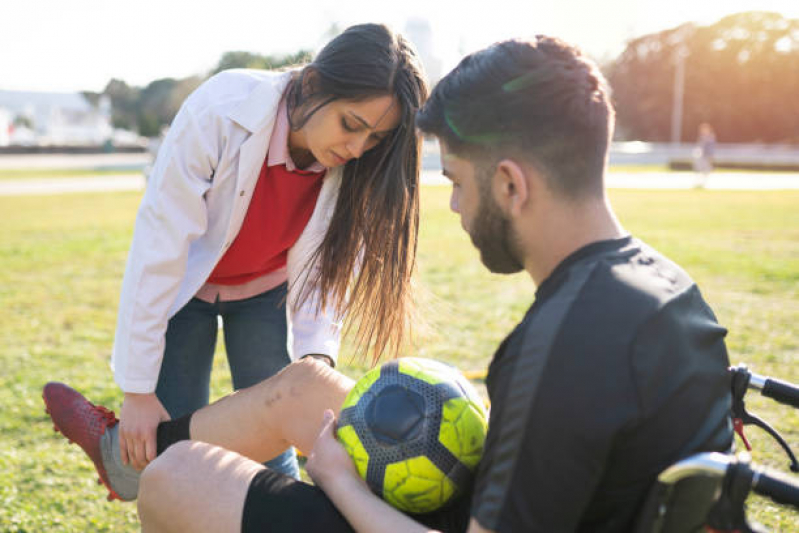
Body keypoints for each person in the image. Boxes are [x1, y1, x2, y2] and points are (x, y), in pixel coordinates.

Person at [44, 36, 733, 532]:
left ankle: (137, 465)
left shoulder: (557, 344)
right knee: (308, 382)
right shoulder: (665, 291)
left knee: (173, 478)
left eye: (455, 184)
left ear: (509, 183)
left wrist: (343, 483)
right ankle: (123, 456)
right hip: (476, 498)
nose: (456, 208)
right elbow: (162, 247)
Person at [107, 22, 428, 484]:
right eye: (351, 125)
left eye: (375, 139)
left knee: (276, 438)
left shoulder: (352, 167)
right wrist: (137, 391)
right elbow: (160, 247)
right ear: (313, 83)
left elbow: (326, 269)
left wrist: (316, 359)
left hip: (264, 293)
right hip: (186, 290)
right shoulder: (220, 110)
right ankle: (118, 456)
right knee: (166, 438)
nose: (358, 149)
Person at [694, 122, 716, 188]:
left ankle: (704, 183)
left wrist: (711, 156)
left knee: (706, 170)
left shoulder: (711, 137)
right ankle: (699, 183)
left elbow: (711, 148)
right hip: (701, 156)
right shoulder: (701, 137)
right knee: (699, 169)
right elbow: (699, 146)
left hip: (707, 156)